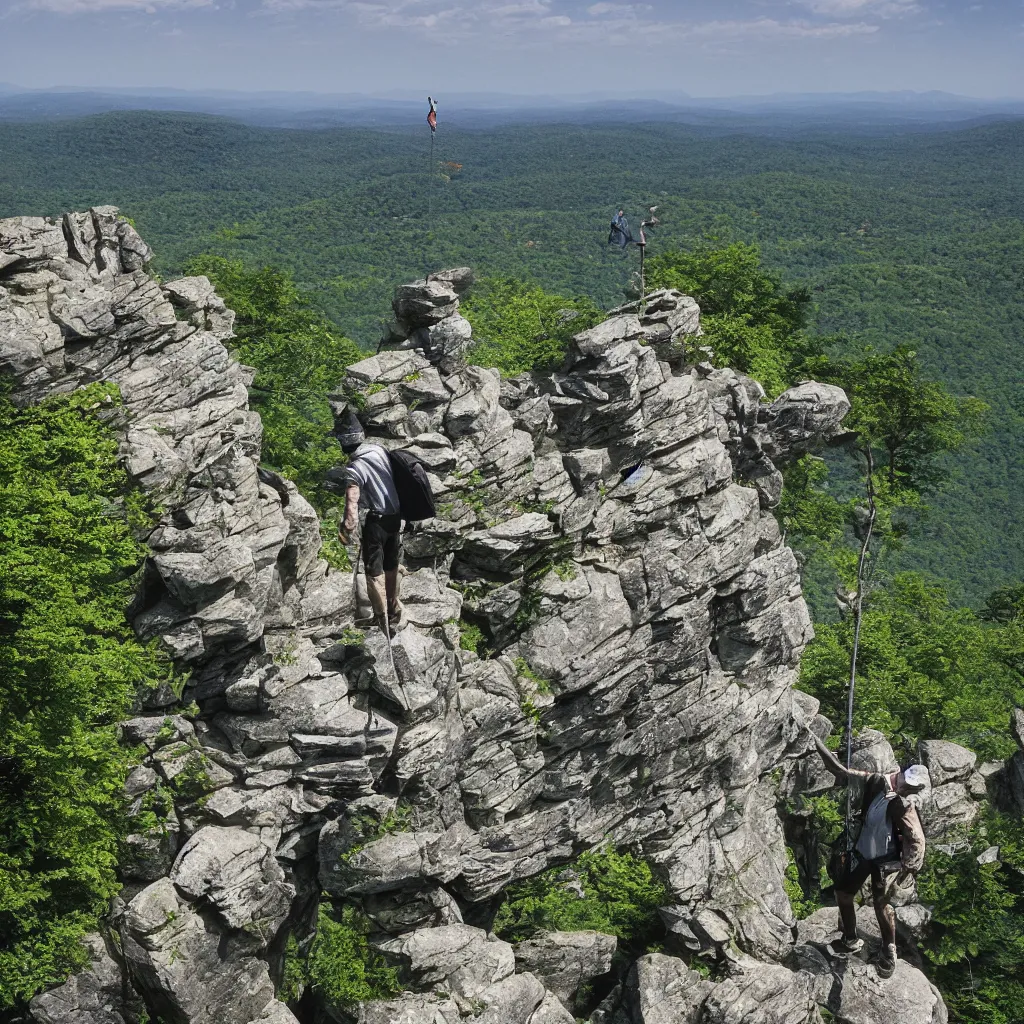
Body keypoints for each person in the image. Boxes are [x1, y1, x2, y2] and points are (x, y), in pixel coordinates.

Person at [809, 731, 929, 978]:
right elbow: (842, 772)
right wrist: (815, 741)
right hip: (867, 852)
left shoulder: (902, 803)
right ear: (904, 778)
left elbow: (917, 839)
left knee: (880, 904)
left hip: (885, 861)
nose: (908, 790)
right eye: (909, 786)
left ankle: (888, 950)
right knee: (844, 894)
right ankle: (852, 939)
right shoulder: (877, 781)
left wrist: (906, 870)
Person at [332, 409, 403, 637]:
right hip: (395, 517)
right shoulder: (379, 451)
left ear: (343, 443)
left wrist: (346, 530)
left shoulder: (355, 469)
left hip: (376, 523)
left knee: (374, 572)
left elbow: (352, 506)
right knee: (392, 566)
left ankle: (381, 619)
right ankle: (393, 609)